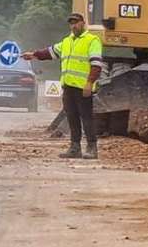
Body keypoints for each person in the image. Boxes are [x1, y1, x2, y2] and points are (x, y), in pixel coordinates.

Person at [23, 13, 103, 159]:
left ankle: (92, 147)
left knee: (87, 118)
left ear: (83, 23)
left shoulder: (92, 40)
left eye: (76, 22)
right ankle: (75, 147)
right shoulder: (67, 41)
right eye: (71, 23)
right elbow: (50, 52)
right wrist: (33, 55)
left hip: (83, 87)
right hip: (68, 86)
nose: (73, 25)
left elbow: (96, 65)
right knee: (72, 117)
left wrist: (89, 83)